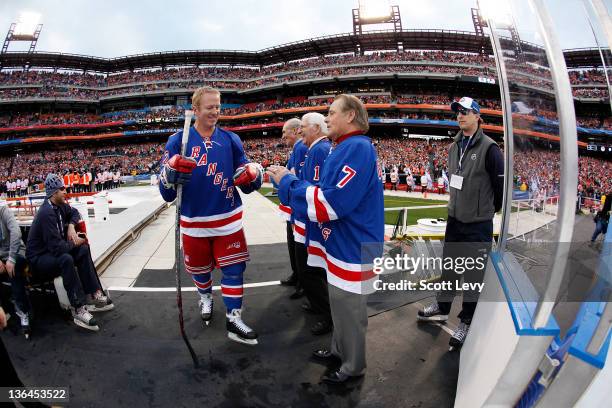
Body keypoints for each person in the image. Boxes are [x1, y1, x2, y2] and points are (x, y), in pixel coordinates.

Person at [268, 94, 384, 384]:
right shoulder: (343, 147)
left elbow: (331, 203)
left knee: (350, 311)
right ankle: (339, 351)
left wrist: (288, 182)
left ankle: (353, 366)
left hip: (354, 246)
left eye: (332, 112)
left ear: (350, 116)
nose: (327, 117)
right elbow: (323, 190)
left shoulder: (356, 148)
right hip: (344, 243)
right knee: (340, 307)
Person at [159, 86, 263, 345]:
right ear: (195, 109)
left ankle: (234, 317)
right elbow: (166, 194)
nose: (216, 111)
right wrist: (169, 174)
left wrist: (252, 174)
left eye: (218, 106)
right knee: (200, 271)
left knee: (235, 270)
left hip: (228, 220)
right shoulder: (177, 141)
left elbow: (247, 177)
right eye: (210, 107)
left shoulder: (230, 139)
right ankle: (205, 297)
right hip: (194, 223)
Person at [417, 96, 504, 351]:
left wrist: (485, 210)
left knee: (473, 276)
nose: (460, 115)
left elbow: (499, 188)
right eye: (457, 112)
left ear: (478, 115)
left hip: (477, 224)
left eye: (466, 111)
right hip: (455, 219)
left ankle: (466, 321)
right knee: (450, 269)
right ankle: (442, 307)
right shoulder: (454, 146)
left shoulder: (490, 149)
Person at [26, 174, 113, 331]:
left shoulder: (59, 205)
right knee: (66, 258)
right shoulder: (46, 213)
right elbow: (58, 249)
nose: (66, 191)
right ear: (54, 192)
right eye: (62, 189)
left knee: (83, 250)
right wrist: (74, 241)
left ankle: (93, 293)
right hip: (38, 259)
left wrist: (71, 226)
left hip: (50, 251)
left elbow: (74, 213)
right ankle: (78, 307)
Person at [294, 112, 333, 335]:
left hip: (313, 218)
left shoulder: (319, 149)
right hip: (309, 215)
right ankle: (322, 308)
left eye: (304, 126)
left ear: (316, 128)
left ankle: (327, 314)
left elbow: (315, 186)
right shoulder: (315, 149)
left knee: (311, 269)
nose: (301, 131)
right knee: (311, 269)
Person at [278, 118, 307, 296]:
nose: (283, 136)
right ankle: (297, 276)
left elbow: (297, 175)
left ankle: (303, 283)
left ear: (296, 131)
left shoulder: (302, 148)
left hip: (299, 206)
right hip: (293, 205)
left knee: (299, 246)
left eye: (284, 132)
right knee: (292, 244)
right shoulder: (297, 148)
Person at [0, 200, 31, 338]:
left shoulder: (3, 210)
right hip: (1, 257)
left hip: (17, 252)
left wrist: (11, 258)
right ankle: (3, 309)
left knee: (13, 268)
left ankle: (24, 311)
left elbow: (16, 232)